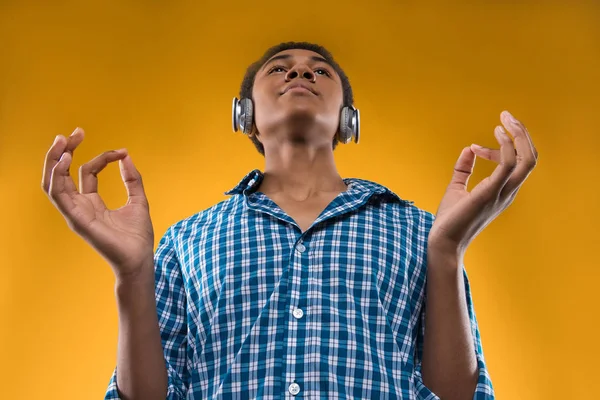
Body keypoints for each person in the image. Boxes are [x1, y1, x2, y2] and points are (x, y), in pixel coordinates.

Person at [41, 41, 537, 400]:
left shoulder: (418, 232)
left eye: (321, 71)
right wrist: (131, 276)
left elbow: (452, 396)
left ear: (349, 119)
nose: (300, 74)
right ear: (245, 115)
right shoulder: (186, 241)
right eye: (279, 68)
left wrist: (447, 252)